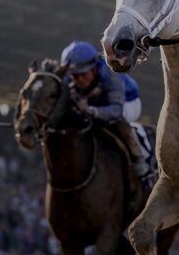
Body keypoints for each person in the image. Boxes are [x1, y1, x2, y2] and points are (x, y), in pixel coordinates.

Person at [60, 41, 152, 186]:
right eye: (74, 76)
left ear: (94, 68)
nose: (78, 80)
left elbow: (116, 111)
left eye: (82, 75)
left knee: (118, 121)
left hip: (127, 102)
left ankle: (141, 162)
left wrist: (91, 111)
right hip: (99, 101)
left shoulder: (109, 73)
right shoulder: (69, 78)